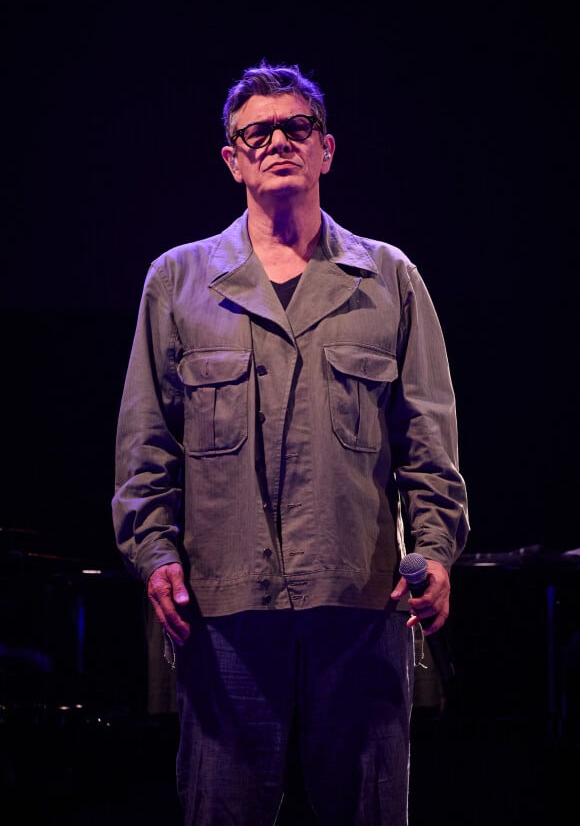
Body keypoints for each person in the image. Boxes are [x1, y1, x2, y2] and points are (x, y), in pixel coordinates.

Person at [112, 60, 469, 826]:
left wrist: (435, 551)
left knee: (368, 811)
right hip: (226, 606)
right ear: (232, 159)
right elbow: (146, 444)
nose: (278, 140)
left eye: (295, 127)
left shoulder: (388, 279)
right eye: (257, 132)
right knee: (222, 810)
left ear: (326, 148)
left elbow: (427, 439)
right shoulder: (176, 283)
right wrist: (156, 555)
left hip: (362, 598)